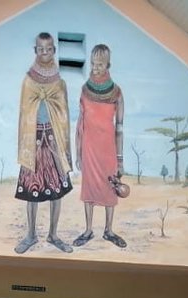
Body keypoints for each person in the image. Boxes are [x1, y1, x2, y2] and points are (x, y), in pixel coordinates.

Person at [14, 32, 73, 254]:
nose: (45, 52)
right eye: (41, 49)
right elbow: (25, 110)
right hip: (34, 141)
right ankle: (30, 235)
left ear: (54, 50)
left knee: (57, 190)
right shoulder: (28, 80)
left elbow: (63, 113)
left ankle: (53, 234)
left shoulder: (59, 82)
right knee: (32, 189)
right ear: (35, 50)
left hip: (54, 140)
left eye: (49, 49)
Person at [72, 44, 126, 249]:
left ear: (108, 65)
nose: (95, 68)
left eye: (100, 64)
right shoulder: (85, 90)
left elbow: (120, 127)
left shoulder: (117, 92)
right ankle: (88, 230)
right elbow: (80, 123)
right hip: (89, 148)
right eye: (93, 64)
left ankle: (109, 230)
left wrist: (120, 159)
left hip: (108, 150)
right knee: (89, 188)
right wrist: (78, 152)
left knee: (110, 188)